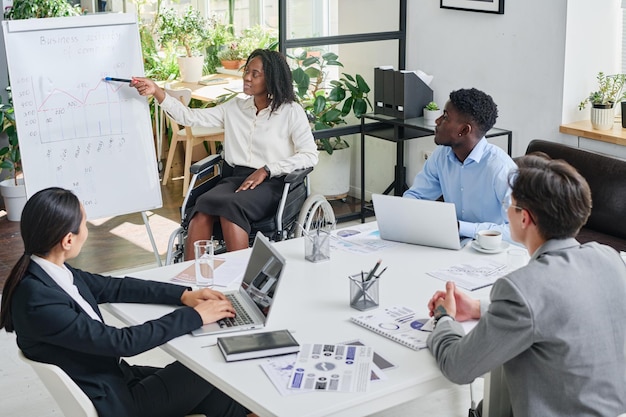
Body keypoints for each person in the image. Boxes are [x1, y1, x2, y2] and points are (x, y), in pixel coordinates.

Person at [0, 187, 255, 417]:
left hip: (114, 379)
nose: (87, 231)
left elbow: (115, 287)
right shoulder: (37, 300)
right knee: (212, 368)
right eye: (85, 224)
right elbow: (121, 342)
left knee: (216, 389)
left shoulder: (52, 272)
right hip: (117, 403)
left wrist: (182, 295)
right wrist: (196, 317)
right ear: (68, 240)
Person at [426, 155, 626, 417]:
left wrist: (444, 318)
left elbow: (459, 368)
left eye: (510, 205)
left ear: (525, 218)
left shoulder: (521, 287)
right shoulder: (609, 258)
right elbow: (559, 308)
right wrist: (478, 307)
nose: (507, 211)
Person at [131, 49, 318, 256]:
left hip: (273, 183)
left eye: (255, 74)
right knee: (202, 208)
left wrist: (267, 169)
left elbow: (310, 155)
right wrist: (157, 91)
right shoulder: (234, 108)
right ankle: (193, 282)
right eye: (247, 71)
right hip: (235, 178)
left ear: (272, 78)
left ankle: (238, 280)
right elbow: (189, 117)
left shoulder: (291, 112)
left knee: (230, 209)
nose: (247, 77)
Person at [403, 88, 516, 242]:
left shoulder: (501, 168)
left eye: (445, 117)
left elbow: (516, 231)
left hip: (489, 250)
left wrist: (461, 227)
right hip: (451, 244)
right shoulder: (441, 155)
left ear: (463, 130)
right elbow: (416, 196)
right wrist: (403, 214)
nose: (437, 121)